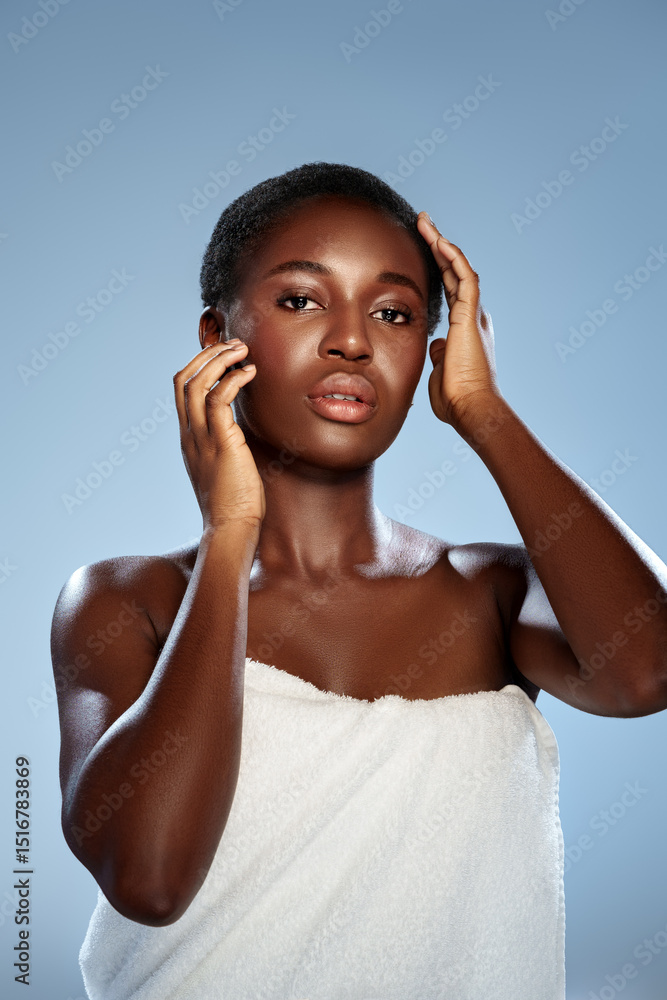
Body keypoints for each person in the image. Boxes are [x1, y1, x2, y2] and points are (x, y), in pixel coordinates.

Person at [51, 161, 667, 999]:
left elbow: (646, 673)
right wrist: (230, 535)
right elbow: (150, 879)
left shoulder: (488, 590)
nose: (351, 341)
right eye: (301, 300)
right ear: (215, 339)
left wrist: (487, 415)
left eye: (393, 313)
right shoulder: (127, 600)